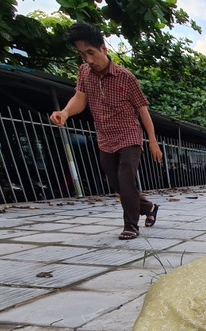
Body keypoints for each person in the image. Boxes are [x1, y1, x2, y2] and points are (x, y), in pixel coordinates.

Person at [50, 23, 161, 240]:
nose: (88, 60)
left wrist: (153, 141)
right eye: (83, 55)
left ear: (103, 49)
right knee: (117, 183)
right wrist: (65, 113)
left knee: (126, 179)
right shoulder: (84, 72)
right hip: (105, 138)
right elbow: (80, 100)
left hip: (129, 135)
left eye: (91, 53)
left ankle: (131, 225)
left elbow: (143, 110)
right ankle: (148, 208)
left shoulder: (125, 77)